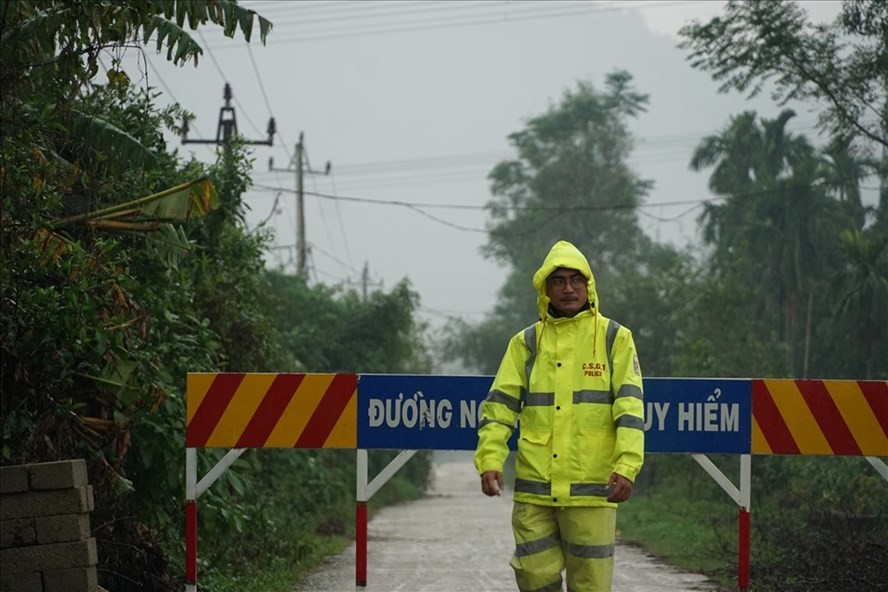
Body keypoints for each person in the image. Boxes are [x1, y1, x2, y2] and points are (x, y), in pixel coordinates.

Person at [475, 240, 645, 592]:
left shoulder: (615, 338)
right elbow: (500, 407)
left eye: (575, 280)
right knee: (533, 577)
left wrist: (627, 466)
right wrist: (490, 458)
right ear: (545, 290)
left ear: (588, 285)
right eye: (558, 281)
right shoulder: (526, 342)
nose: (568, 288)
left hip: (593, 490)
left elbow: (630, 408)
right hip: (535, 489)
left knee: (591, 584)